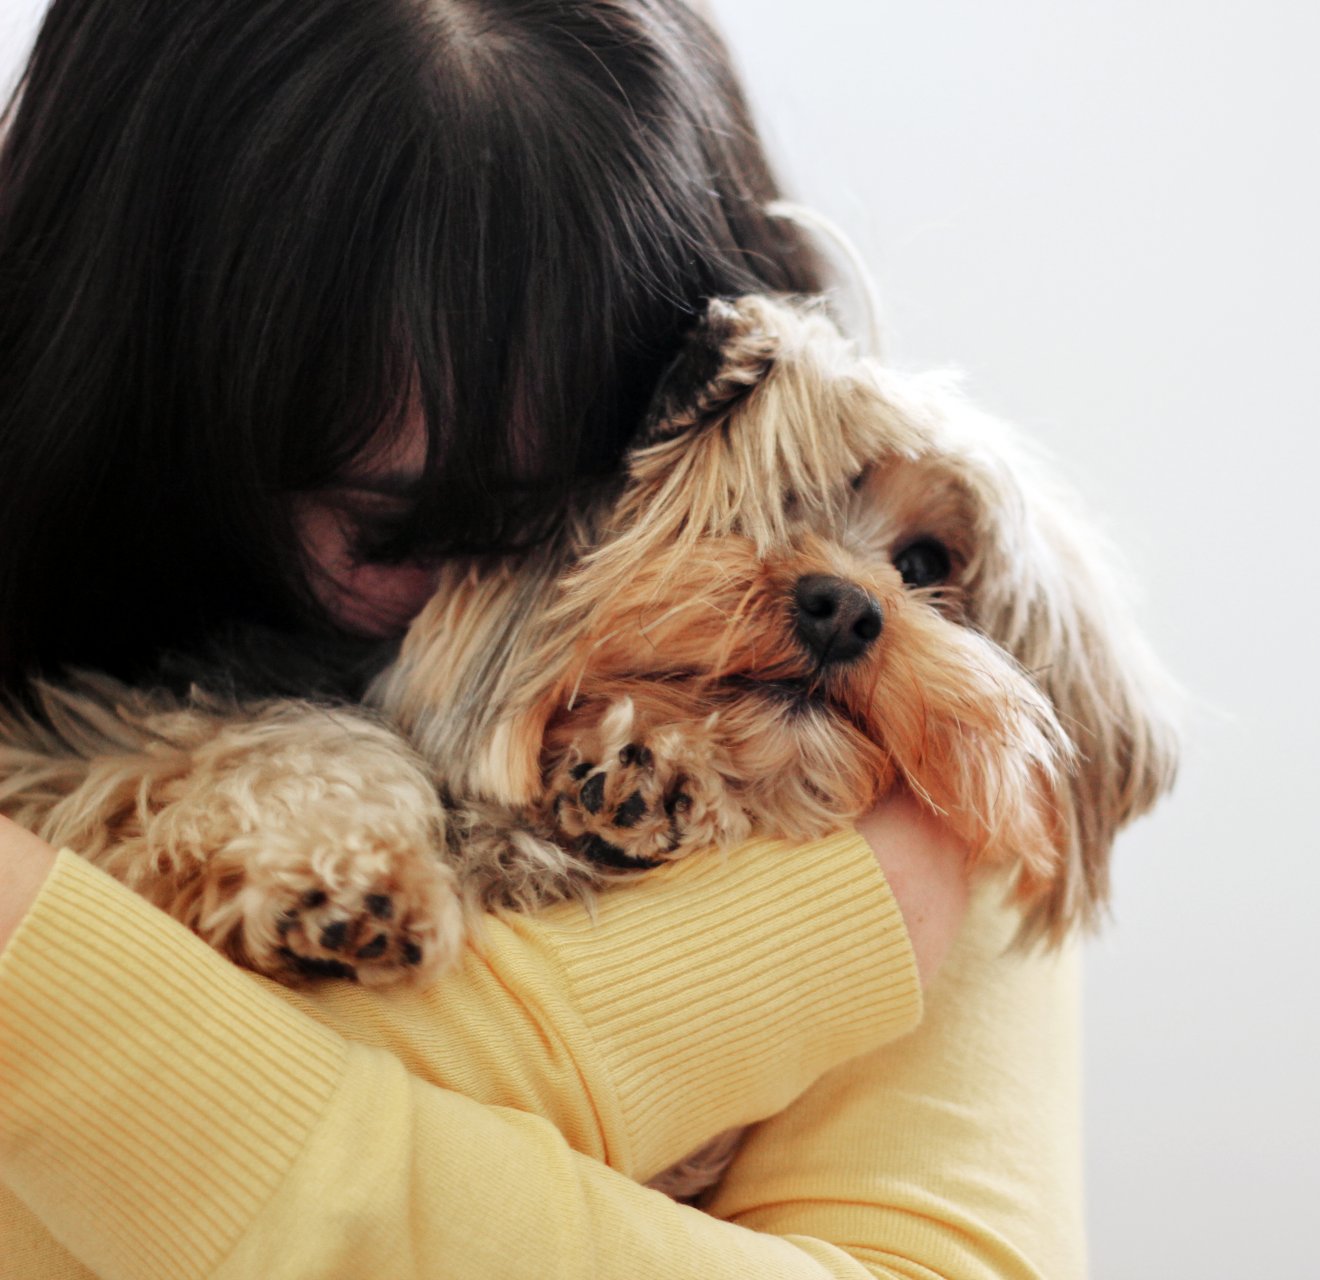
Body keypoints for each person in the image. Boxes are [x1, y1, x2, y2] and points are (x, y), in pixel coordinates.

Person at [0, 2, 1085, 1276]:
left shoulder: (950, 715)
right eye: (418, 527)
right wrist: (734, 982)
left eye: (624, 495)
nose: (521, 590)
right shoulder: (875, 887)